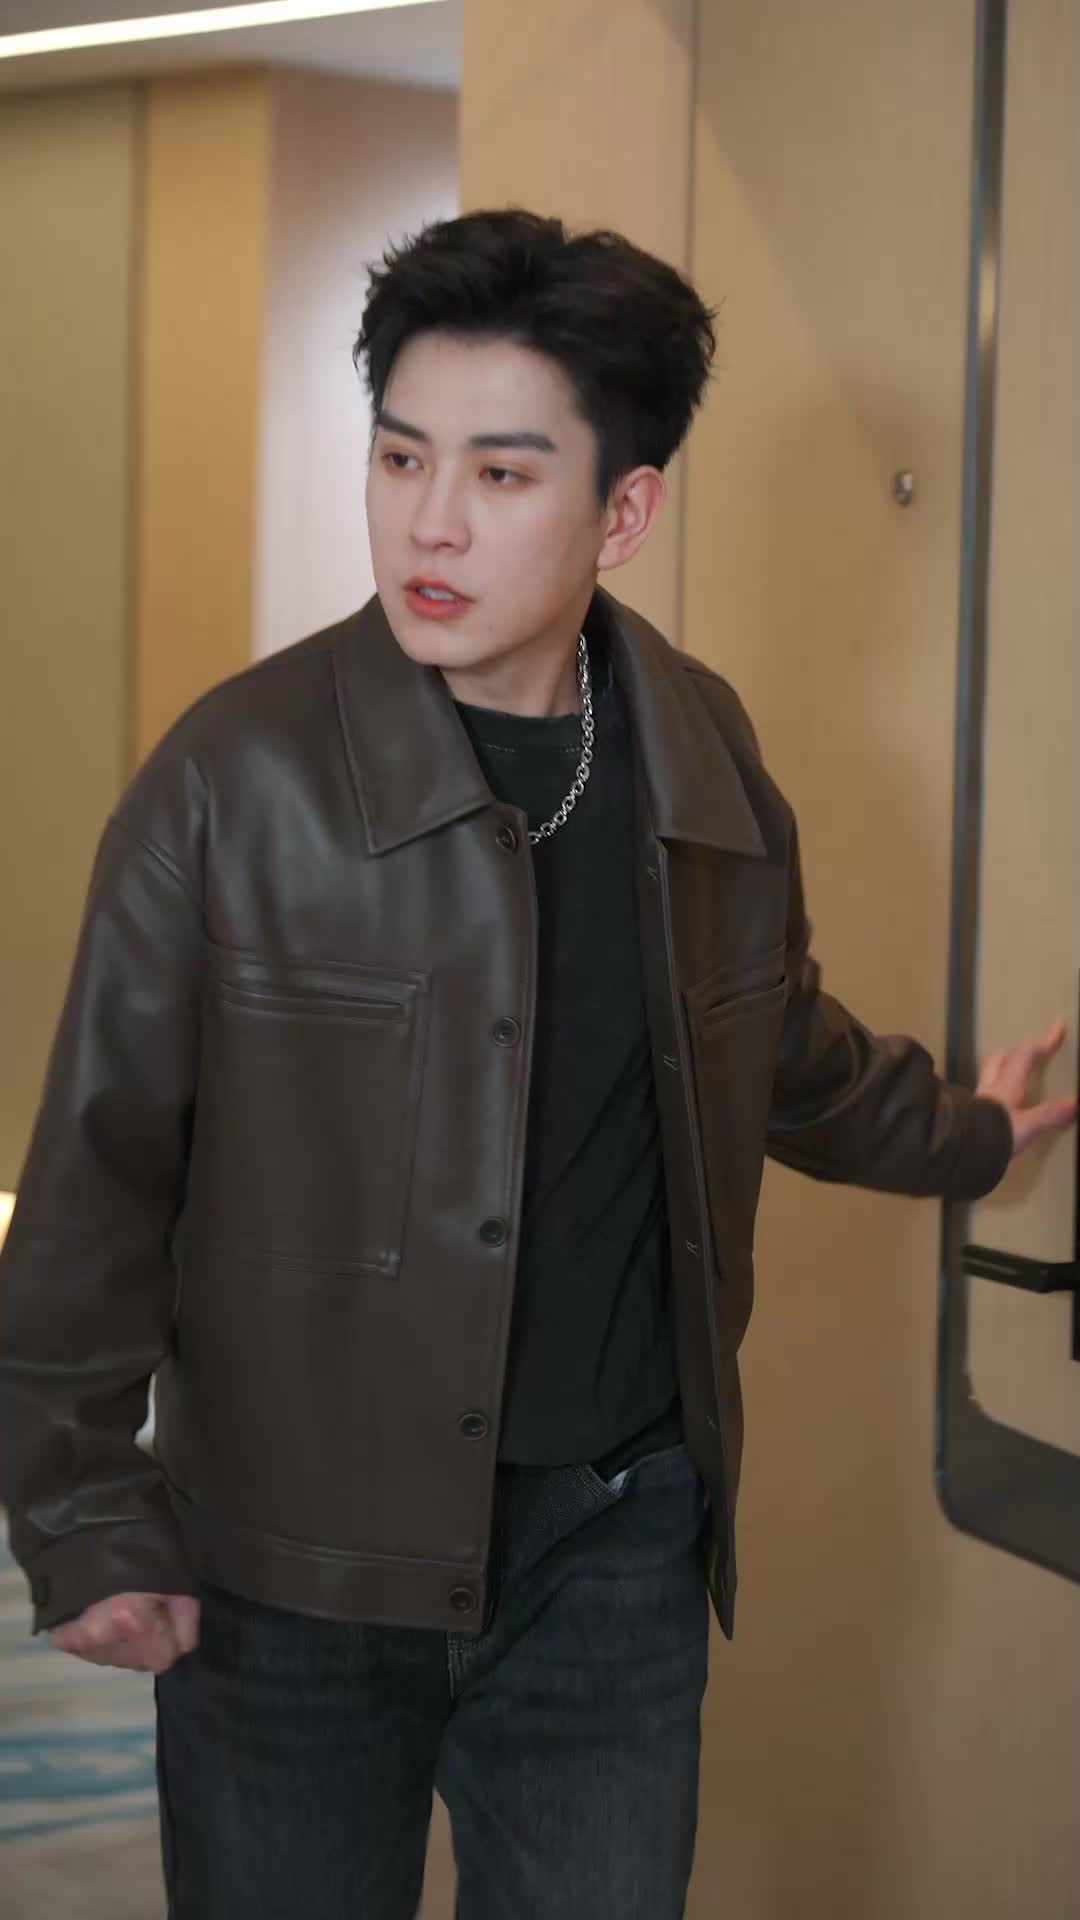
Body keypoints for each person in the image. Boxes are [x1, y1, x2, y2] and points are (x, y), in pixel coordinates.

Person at [0, 210, 1074, 1920]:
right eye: (401, 455)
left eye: (501, 474)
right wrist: (80, 1514)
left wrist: (970, 1132)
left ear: (623, 512)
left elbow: (773, 1041)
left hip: (611, 1555)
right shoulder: (232, 778)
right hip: (293, 1567)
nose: (430, 519)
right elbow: (96, 1175)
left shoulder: (702, 747)